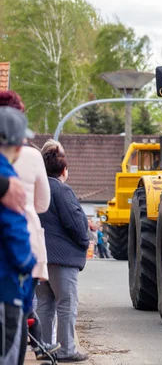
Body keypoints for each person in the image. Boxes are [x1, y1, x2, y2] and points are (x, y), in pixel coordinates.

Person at [0, 90, 61, 360]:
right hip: (19, 254)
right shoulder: (25, 161)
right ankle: (38, 345)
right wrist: (26, 260)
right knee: (17, 320)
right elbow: (42, 204)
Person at [37, 140, 89, 362]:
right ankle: (66, 350)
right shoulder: (62, 189)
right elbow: (75, 223)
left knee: (44, 305)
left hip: (39, 257)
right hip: (62, 259)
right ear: (64, 170)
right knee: (66, 305)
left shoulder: (34, 189)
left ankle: (44, 348)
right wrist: (85, 241)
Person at [0, 106, 37, 365]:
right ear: (16, 145)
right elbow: (14, 229)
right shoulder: (8, 180)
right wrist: (28, 263)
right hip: (7, 287)